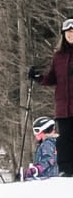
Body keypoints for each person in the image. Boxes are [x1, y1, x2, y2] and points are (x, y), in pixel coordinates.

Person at [28, 16, 73, 177]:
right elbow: (52, 78)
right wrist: (38, 77)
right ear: (63, 35)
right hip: (63, 107)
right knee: (64, 139)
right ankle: (66, 171)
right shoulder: (58, 56)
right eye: (68, 32)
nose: (71, 35)